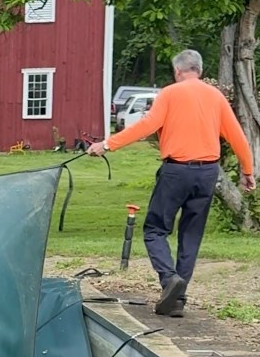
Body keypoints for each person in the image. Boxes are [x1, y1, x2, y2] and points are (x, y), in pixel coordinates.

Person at [89, 49, 256, 316]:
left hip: (176, 171)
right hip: (208, 173)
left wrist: (108, 144)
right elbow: (237, 136)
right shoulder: (216, 96)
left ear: (178, 71)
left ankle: (169, 280)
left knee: (155, 229)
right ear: (199, 70)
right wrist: (248, 171)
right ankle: (178, 300)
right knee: (191, 235)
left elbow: (146, 126)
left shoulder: (169, 93)